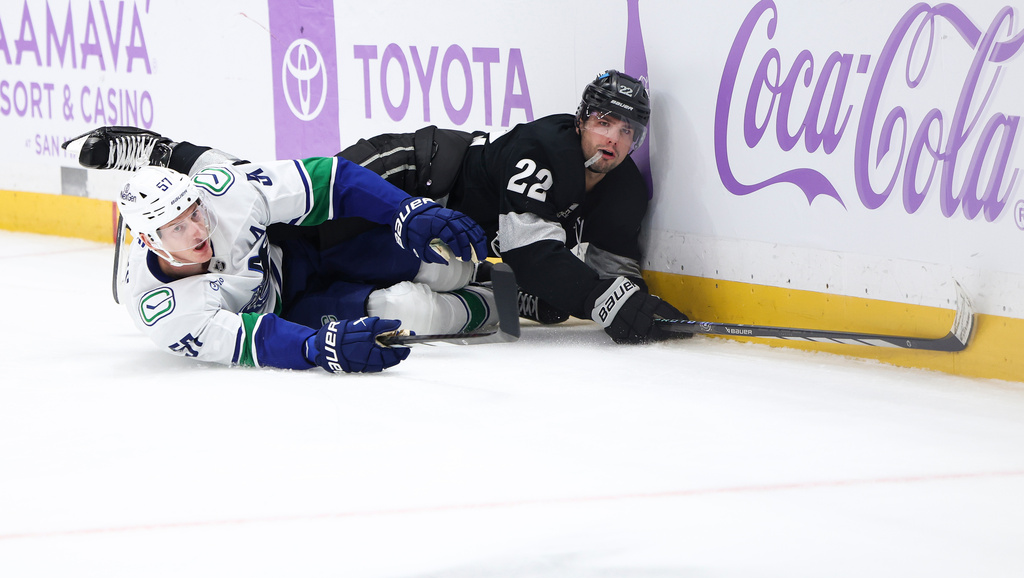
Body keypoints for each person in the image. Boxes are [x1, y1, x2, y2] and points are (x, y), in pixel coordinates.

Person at [66, 69, 688, 347]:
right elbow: (535, 251)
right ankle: (155, 149)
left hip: (336, 235)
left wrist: (626, 300)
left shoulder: (625, 189)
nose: (612, 139)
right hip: (409, 173)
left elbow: (607, 272)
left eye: (628, 131)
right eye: (603, 122)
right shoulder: (163, 310)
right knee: (391, 289)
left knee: (245, 194)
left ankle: (153, 148)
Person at [62, 132, 495, 373]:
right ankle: (494, 303)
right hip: (289, 310)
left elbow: (333, 179)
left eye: (195, 213)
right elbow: (257, 339)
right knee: (405, 310)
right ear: (148, 241)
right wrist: (317, 348)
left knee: (442, 263)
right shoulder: (166, 313)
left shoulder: (223, 196)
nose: (198, 230)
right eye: (177, 227)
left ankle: (164, 152)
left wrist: (407, 209)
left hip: (296, 247)